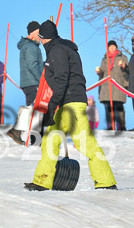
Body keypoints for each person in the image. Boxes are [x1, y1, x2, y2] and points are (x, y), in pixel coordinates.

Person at [25, 20, 117, 191]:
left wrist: (52, 105)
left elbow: (62, 79)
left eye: (41, 38)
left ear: (44, 38)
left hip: (72, 102)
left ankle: (106, 181)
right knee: (49, 140)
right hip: (66, 101)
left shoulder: (57, 51)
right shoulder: (61, 48)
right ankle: (41, 182)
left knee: (84, 143)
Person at [7, 21, 44, 144]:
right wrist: (40, 82)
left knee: (32, 109)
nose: (41, 36)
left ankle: (28, 135)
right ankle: (31, 137)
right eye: (39, 33)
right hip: (33, 82)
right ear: (32, 33)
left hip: (29, 82)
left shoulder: (30, 46)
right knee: (35, 110)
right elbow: (33, 65)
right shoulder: (30, 47)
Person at [95, 40, 128, 131]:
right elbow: (102, 72)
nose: (112, 48)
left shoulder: (123, 57)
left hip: (118, 85)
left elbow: (127, 70)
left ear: (116, 47)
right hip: (107, 86)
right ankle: (110, 125)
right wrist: (99, 71)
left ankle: (121, 126)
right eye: (110, 47)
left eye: (113, 46)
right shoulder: (104, 59)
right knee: (108, 107)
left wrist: (123, 65)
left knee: (119, 107)